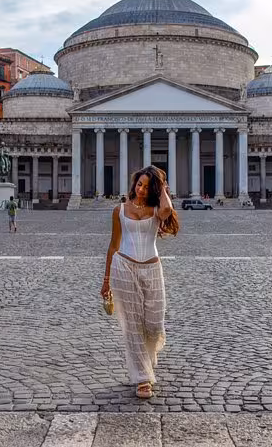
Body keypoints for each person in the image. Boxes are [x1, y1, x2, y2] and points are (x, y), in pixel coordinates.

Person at [101, 165, 179, 399]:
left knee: (154, 324)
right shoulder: (119, 210)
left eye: (147, 185)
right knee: (132, 325)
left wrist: (162, 184)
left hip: (152, 267)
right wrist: (106, 280)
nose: (142, 189)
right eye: (139, 184)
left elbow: (167, 209)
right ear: (134, 184)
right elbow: (113, 245)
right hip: (123, 266)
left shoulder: (157, 209)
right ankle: (142, 378)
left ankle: (146, 359)